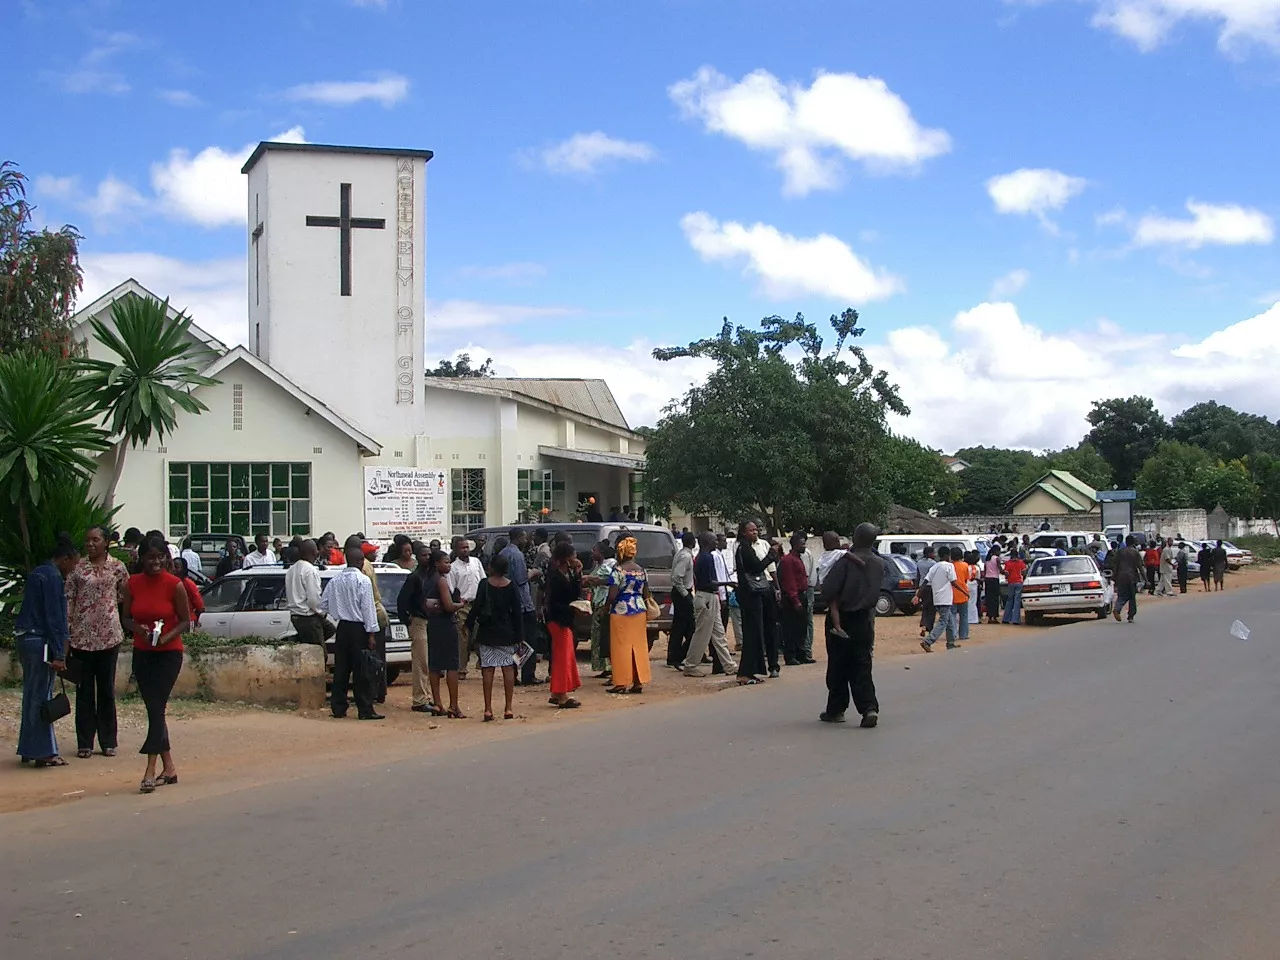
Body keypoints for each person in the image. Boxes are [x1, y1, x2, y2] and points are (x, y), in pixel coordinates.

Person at [122, 537, 193, 791]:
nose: (156, 562)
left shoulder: (175, 585)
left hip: (168, 654)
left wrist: (166, 636)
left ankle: (150, 769)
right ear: (142, 558)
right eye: (150, 557)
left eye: (160, 557)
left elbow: (186, 621)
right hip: (143, 653)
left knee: (156, 707)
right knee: (154, 710)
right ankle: (169, 768)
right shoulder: (132, 583)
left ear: (166, 558)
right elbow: (126, 618)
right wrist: (138, 629)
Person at [15, 534, 80, 767]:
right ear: (65, 559)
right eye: (73, 564)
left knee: (31, 694)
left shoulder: (38, 572)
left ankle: (29, 747)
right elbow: (55, 617)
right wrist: (60, 654)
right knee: (42, 695)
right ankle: (43, 751)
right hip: (40, 640)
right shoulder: (53, 577)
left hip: (26, 637)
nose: (73, 570)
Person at [65, 526, 128, 759]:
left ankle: (108, 741)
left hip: (109, 638)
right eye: (87, 540)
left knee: (106, 690)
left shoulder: (117, 567)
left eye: (95, 540)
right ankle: (85, 743)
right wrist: (67, 633)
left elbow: (124, 595)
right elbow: (69, 600)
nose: (90, 544)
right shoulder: (77, 568)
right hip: (81, 639)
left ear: (106, 542)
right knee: (84, 692)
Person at [819, 523, 885, 727]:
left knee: (838, 665)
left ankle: (836, 709)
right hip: (865, 618)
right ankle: (869, 708)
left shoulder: (844, 561)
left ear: (855, 538)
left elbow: (828, 590)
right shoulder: (878, 563)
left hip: (842, 616)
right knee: (862, 663)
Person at [320, 544, 383, 721]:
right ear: (360, 561)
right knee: (362, 670)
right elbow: (368, 609)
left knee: (341, 669)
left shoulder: (335, 580)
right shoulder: (363, 581)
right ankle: (365, 709)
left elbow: (323, 603)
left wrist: (337, 611)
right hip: (359, 629)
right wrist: (371, 633)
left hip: (343, 628)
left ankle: (338, 707)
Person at [467, 553, 523, 720]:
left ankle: (488, 709)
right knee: (508, 669)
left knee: (488, 669)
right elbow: (517, 613)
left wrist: (468, 625)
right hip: (507, 632)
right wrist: (520, 635)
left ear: (492, 567)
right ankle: (508, 708)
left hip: (487, 632)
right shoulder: (511, 586)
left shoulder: (484, 584)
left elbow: (476, 607)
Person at [686, 531, 737, 677]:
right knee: (702, 634)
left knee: (719, 634)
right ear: (707, 542)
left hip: (709, 597)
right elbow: (708, 582)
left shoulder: (704, 557)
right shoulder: (706, 558)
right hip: (707, 597)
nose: (716, 542)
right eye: (714, 540)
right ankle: (690, 665)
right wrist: (727, 583)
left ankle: (729, 665)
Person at [734, 520, 779, 685]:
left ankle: (752, 671)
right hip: (750, 594)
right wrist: (771, 555)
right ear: (743, 532)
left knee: (759, 631)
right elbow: (756, 567)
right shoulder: (744, 548)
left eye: (756, 530)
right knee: (753, 632)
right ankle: (746, 672)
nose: (755, 533)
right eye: (751, 530)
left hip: (758, 593)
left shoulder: (750, 547)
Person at [421, 550, 465, 718]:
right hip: (446, 625)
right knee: (452, 665)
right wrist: (460, 604)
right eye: (446, 562)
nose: (449, 565)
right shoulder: (441, 581)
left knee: (435, 665)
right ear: (436, 563)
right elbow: (448, 606)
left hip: (432, 624)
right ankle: (454, 705)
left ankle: (438, 703)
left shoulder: (426, 579)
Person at [606, 536, 652, 695]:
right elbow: (646, 593)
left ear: (621, 553)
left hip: (621, 611)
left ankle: (621, 682)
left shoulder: (618, 570)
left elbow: (612, 594)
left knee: (621, 647)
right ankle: (638, 681)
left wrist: (606, 607)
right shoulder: (641, 570)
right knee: (638, 646)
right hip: (639, 610)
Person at [544, 541, 584, 708]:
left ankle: (557, 691)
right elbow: (553, 603)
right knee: (562, 658)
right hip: (557, 620)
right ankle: (561, 694)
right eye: (573, 556)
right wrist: (571, 608)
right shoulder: (555, 577)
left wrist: (578, 574)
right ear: (566, 559)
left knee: (565, 655)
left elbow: (575, 593)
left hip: (563, 620)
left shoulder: (566, 574)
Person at [501, 529, 543, 685]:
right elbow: (521, 578)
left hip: (509, 604)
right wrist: (533, 572)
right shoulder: (517, 555)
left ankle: (512, 674)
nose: (526, 541)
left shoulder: (503, 553)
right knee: (529, 640)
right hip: (523, 604)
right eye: (524, 538)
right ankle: (528, 675)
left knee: (514, 640)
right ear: (518, 538)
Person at [448, 537, 485, 679]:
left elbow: (483, 581)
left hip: (478, 604)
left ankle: (484, 664)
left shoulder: (476, 562)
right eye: (462, 548)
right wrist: (458, 601)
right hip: (463, 606)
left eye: (467, 547)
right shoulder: (453, 567)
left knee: (479, 635)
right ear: (456, 550)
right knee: (463, 637)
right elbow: (451, 589)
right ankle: (461, 669)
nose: (465, 550)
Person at [285, 540, 329, 647]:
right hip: (307, 616)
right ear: (314, 552)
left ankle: (297, 641)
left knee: (330, 629)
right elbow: (313, 599)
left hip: (295, 615)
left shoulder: (291, 570)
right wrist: (322, 612)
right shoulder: (310, 570)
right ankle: (295, 642)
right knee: (319, 651)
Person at [778, 534, 810, 666]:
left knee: (802, 627)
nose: (804, 546)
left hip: (802, 594)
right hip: (793, 597)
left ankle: (801, 654)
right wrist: (795, 600)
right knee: (791, 628)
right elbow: (789, 581)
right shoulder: (788, 560)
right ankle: (790, 655)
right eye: (802, 544)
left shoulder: (798, 558)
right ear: (795, 545)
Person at [586, 540, 616, 678]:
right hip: (598, 602)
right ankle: (605, 666)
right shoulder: (600, 565)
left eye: (594, 550)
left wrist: (589, 579)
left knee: (603, 637)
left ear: (601, 552)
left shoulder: (608, 565)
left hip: (603, 603)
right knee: (598, 637)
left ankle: (609, 667)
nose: (592, 553)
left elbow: (605, 580)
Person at [667, 532, 697, 669]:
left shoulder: (681, 553)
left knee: (679, 626)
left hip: (680, 591)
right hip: (682, 592)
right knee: (687, 627)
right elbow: (677, 577)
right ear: (693, 542)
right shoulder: (686, 556)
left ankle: (674, 657)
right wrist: (686, 594)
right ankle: (677, 657)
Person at [921, 545, 958, 651]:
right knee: (943, 621)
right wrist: (964, 591)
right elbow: (953, 581)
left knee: (949, 621)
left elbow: (925, 581)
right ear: (947, 555)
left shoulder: (935, 566)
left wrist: (917, 595)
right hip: (945, 598)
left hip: (937, 598)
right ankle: (928, 641)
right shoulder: (949, 566)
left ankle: (950, 643)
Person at [1111, 535, 1145, 623]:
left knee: (1122, 595)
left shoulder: (1120, 551)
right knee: (1132, 597)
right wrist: (1146, 579)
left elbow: (1115, 565)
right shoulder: (1135, 552)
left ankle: (1117, 609)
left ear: (1126, 542)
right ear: (1133, 542)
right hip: (1132, 577)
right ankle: (1131, 616)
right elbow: (1140, 567)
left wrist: (1114, 577)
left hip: (1121, 577)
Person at [950, 549, 973, 648]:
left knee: (952, 615)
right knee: (964, 615)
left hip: (951, 593)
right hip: (963, 592)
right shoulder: (965, 565)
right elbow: (966, 579)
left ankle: (953, 634)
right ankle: (963, 634)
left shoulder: (950, 566)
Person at [172, 558, 205, 628]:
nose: (173, 569)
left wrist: (194, 619)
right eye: (172, 566)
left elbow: (200, 607)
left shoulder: (189, 584)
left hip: (186, 622)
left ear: (183, 569)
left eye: (176, 567)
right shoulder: (169, 583)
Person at [915, 545, 937, 637]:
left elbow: (918, 576)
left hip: (922, 587)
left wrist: (917, 588)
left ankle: (924, 624)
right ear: (929, 553)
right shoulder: (933, 563)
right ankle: (929, 628)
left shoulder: (919, 563)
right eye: (933, 553)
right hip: (930, 586)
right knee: (931, 609)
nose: (934, 554)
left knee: (924, 607)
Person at [1001, 550, 1027, 624]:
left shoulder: (1008, 563)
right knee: (1017, 601)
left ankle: (1006, 619)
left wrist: (1009, 576)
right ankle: (1015, 620)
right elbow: (1024, 572)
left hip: (1011, 583)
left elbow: (1006, 573)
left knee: (1009, 600)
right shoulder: (1021, 562)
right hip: (1019, 582)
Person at [980, 546, 1002, 624]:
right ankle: (994, 617)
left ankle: (989, 617)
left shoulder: (987, 559)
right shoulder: (997, 559)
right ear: (996, 551)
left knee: (989, 598)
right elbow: (1000, 569)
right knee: (995, 598)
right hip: (994, 579)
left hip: (988, 580)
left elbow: (985, 570)